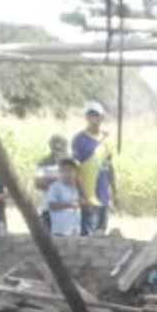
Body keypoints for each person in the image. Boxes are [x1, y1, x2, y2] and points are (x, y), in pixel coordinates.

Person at [72, 101, 114, 236]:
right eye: (90, 115)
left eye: (96, 115)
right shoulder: (79, 139)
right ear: (86, 118)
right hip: (88, 198)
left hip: (104, 198)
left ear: (102, 118)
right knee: (87, 239)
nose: (93, 118)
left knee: (102, 236)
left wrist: (115, 191)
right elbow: (74, 170)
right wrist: (81, 196)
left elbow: (110, 166)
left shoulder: (106, 139)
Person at [44, 158, 84, 237]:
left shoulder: (75, 187)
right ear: (60, 172)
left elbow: (79, 204)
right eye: (65, 171)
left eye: (71, 170)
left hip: (75, 230)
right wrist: (69, 204)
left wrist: (81, 202)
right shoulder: (55, 187)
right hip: (61, 231)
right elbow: (51, 205)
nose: (69, 174)